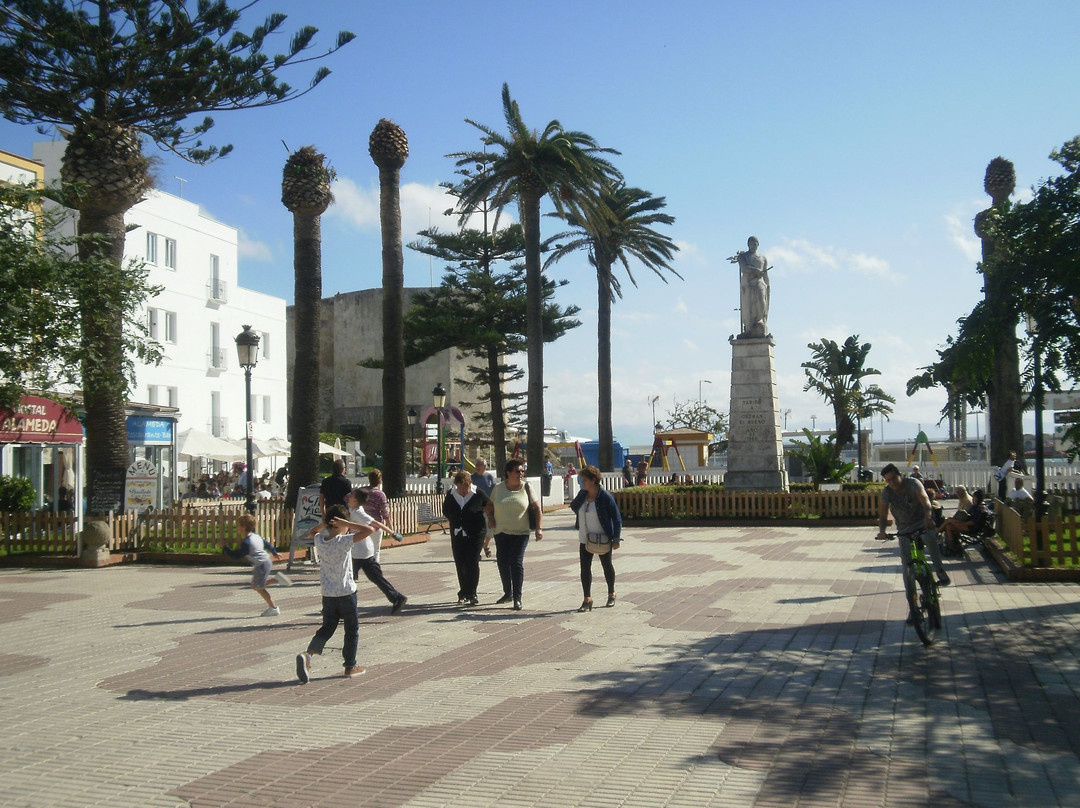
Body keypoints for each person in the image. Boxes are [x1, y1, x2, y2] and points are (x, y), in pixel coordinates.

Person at [295, 504, 376, 683]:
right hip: (346, 592)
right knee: (351, 629)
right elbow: (369, 529)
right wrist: (347, 523)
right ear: (341, 524)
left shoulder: (320, 541)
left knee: (327, 627)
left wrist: (325, 524)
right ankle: (350, 665)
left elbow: (313, 531)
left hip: (328, 594)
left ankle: (308, 655)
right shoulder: (344, 541)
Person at [324, 488, 408, 615]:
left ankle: (343, 608)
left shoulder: (358, 512)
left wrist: (392, 533)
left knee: (348, 578)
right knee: (372, 577)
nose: (349, 497)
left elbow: (375, 523)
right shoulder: (353, 509)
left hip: (360, 551)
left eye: (352, 496)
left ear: (356, 500)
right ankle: (396, 598)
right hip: (359, 550)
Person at [876, 463, 950, 587]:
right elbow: (883, 515)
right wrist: (882, 531)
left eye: (894, 478)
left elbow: (926, 502)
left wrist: (928, 518)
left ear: (900, 475)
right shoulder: (887, 492)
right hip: (904, 529)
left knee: (930, 539)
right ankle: (911, 594)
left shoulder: (913, 483)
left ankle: (940, 571)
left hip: (922, 523)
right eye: (888, 480)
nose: (892, 482)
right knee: (906, 564)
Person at [484, 459, 542, 610]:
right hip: (501, 532)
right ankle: (507, 592)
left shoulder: (527, 487)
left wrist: (539, 529)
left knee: (516, 562)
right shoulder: (498, 488)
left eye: (522, 471)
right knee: (502, 562)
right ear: (508, 473)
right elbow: (489, 506)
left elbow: (537, 508)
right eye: (517, 471)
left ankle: (517, 597)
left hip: (520, 532)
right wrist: (491, 518)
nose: (520, 474)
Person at [570, 465, 623, 612]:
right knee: (585, 568)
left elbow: (617, 518)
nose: (583, 482)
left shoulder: (605, 496)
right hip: (585, 538)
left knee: (607, 566)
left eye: (585, 480)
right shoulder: (583, 494)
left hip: (603, 537)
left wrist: (616, 538)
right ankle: (587, 599)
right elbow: (574, 507)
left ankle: (611, 593)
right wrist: (581, 496)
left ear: (593, 480)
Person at [222, 513, 292, 616]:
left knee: (259, 587)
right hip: (266, 562)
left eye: (238, 525)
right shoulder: (256, 536)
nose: (237, 528)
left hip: (261, 565)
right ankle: (276, 582)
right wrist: (274, 552)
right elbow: (267, 544)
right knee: (255, 586)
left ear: (243, 527)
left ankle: (273, 607)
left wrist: (225, 548)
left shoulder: (246, 543)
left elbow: (236, 556)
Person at [443, 469, 489, 605]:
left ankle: (472, 593)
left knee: (472, 561)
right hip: (458, 533)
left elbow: (489, 506)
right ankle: (463, 592)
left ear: (470, 484)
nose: (463, 491)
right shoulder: (451, 495)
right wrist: (456, 521)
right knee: (460, 562)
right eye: (461, 488)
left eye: (466, 487)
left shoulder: (478, 494)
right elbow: (446, 511)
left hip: (476, 533)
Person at [731, 235, 770, 338]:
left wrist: (768, 286)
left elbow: (765, 274)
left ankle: (759, 320)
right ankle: (749, 328)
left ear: (758, 244)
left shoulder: (763, 258)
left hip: (759, 282)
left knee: (761, 299)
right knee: (748, 307)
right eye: (751, 244)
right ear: (748, 245)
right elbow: (744, 268)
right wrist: (755, 270)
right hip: (748, 284)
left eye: (754, 244)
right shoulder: (743, 256)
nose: (753, 245)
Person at [940, 488, 993, 554]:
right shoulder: (976, 506)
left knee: (949, 523)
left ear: (977, 498)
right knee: (949, 524)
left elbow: (973, 522)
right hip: (968, 524)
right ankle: (953, 546)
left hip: (973, 528)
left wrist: (960, 524)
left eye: (974, 497)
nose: (972, 499)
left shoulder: (980, 509)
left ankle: (940, 536)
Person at [362, 469, 396, 562]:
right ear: (380, 481)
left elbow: (347, 498)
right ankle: (375, 568)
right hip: (376, 525)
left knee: (362, 550)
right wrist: (391, 530)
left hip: (363, 524)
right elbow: (385, 514)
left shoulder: (362, 491)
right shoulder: (380, 495)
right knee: (375, 550)